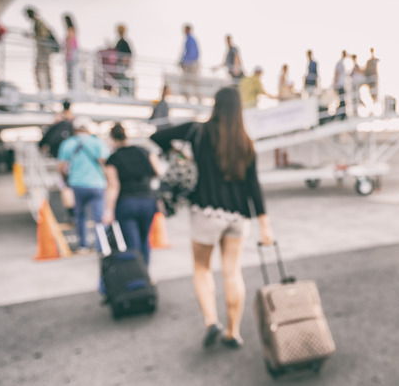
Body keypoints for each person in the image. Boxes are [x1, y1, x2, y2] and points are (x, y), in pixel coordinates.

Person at [151, 87, 274, 349]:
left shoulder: (198, 131)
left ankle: (211, 321)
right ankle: (233, 331)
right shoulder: (245, 141)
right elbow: (254, 185)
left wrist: (179, 153)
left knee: (202, 268)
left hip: (205, 212)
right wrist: (264, 224)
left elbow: (156, 136)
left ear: (215, 105)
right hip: (238, 217)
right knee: (232, 272)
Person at [102, 123, 161, 266]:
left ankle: (137, 277)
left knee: (132, 243)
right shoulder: (143, 151)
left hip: (126, 203)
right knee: (144, 239)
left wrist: (108, 210)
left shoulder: (113, 159)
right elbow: (158, 171)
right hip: (148, 200)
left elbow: (113, 186)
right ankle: (146, 275)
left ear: (112, 139)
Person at [58, 116, 110, 253]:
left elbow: (61, 167)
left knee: (80, 216)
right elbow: (107, 163)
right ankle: (101, 246)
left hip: (77, 184)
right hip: (98, 184)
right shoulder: (98, 143)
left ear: (74, 128)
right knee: (99, 218)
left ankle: (83, 245)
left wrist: (65, 181)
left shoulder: (67, 144)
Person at [24, 7, 55, 92]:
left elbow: (42, 36)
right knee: (43, 68)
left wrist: (31, 36)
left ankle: (45, 88)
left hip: (43, 50)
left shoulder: (38, 23)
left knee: (41, 68)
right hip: (43, 50)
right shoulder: (38, 22)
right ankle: (45, 88)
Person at [180, 24, 200, 101]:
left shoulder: (191, 39)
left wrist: (186, 62)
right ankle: (187, 98)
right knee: (185, 81)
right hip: (188, 63)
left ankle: (198, 99)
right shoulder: (188, 39)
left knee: (193, 81)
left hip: (191, 64)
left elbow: (192, 53)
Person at [114, 24, 133, 96]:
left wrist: (124, 60)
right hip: (120, 65)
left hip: (122, 66)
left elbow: (129, 54)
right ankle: (122, 93)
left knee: (122, 79)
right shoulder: (120, 42)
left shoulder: (123, 42)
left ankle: (123, 93)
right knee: (120, 79)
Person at [64, 14, 78, 90]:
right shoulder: (73, 30)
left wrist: (67, 52)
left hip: (71, 54)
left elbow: (69, 42)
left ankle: (71, 87)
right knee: (71, 71)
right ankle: (71, 87)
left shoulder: (70, 30)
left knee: (70, 72)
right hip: (73, 53)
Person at [333, 50, 348, 119]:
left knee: (342, 100)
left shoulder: (342, 63)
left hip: (341, 84)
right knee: (342, 100)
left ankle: (342, 114)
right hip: (339, 85)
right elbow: (337, 73)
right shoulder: (339, 63)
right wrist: (335, 84)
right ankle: (341, 115)